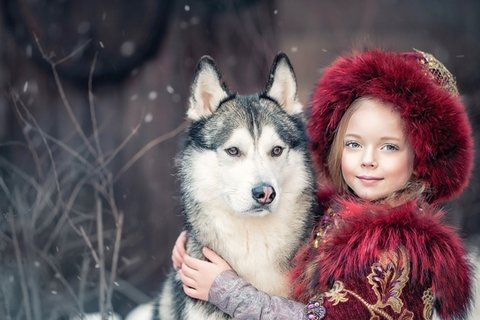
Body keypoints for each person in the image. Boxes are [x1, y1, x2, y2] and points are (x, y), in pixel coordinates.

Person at [172, 49, 474, 319]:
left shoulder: (396, 251)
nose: (368, 159)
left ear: (421, 157)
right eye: (354, 144)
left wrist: (227, 291)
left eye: (389, 147)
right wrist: (200, 238)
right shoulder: (334, 213)